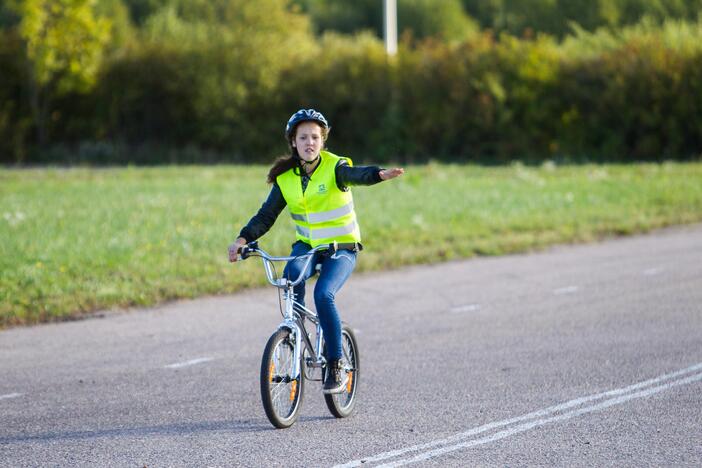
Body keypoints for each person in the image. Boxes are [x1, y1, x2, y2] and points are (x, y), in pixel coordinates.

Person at [229, 108, 404, 394]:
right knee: (290, 277)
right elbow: (265, 216)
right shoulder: (285, 179)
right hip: (307, 247)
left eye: (314, 137)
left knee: (323, 294)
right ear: (293, 143)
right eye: (303, 137)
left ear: (322, 141)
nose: (309, 142)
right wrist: (241, 239)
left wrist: (378, 175)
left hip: (341, 248)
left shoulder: (335, 168)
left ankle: (335, 363)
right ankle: (294, 333)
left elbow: (356, 174)